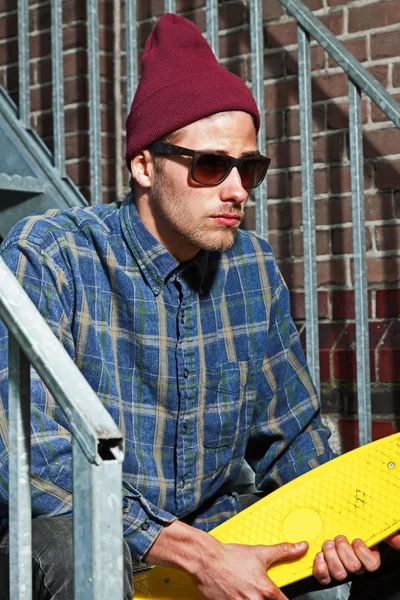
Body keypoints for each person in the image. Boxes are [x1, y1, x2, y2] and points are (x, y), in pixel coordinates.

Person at [0, 12, 399, 600]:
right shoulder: (50, 255)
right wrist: (196, 554)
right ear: (143, 165)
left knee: (369, 570)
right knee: (66, 546)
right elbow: (23, 447)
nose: (236, 189)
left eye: (250, 168)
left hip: (216, 529)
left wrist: (354, 523)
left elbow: (291, 436)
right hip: (102, 540)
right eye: (212, 165)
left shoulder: (252, 268)